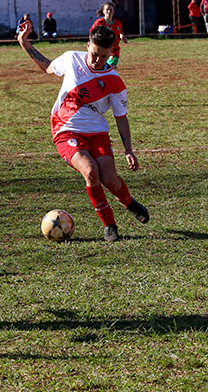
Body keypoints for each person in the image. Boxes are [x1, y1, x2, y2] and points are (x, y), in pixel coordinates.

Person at [16, 21, 149, 242]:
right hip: (65, 129)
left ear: (111, 53)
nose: (98, 60)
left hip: (97, 133)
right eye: (95, 54)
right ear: (88, 45)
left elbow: (121, 117)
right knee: (91, 171)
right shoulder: (71, 59)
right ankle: (110, 226)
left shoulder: (114, 81)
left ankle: (129, 202)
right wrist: (24, 43)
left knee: (110, 180)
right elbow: (48, 67)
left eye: (104, 56)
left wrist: (128, 150)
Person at [91, 2, 126, 67]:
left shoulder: (117, 23)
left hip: (113, 51)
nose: (109, 11)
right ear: (103, 11)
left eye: (111, 9)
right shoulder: (99, 22)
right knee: (101, 68)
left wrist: (122, 37)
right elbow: (92, 33)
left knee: (109, 67)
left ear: (113, 11)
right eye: (107, 9)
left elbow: (120, 32)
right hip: (101, 51)